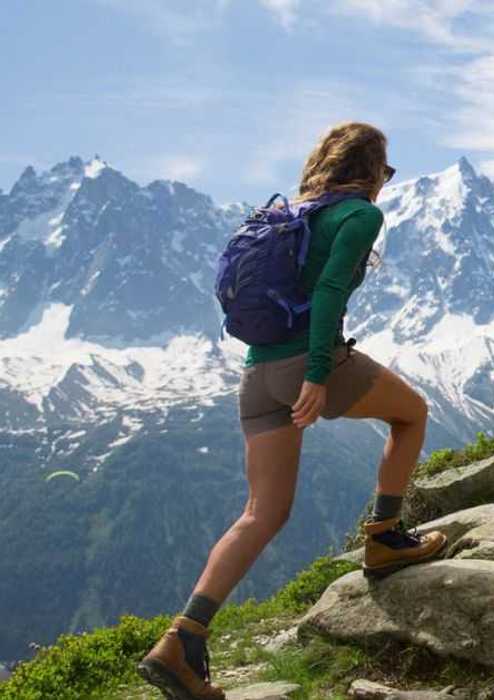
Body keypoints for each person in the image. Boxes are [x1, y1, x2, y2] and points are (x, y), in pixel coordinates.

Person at [137, 122, 446, 700]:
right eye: (387, 171)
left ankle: (182, 639)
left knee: (260, 513)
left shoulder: (297, 213)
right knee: (412, 414)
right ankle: (384, 536)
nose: (387, 182)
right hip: (307, 361)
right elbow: (330, 290)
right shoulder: (359, 216)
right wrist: (318, 371)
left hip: (256, 376)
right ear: (372, 170)